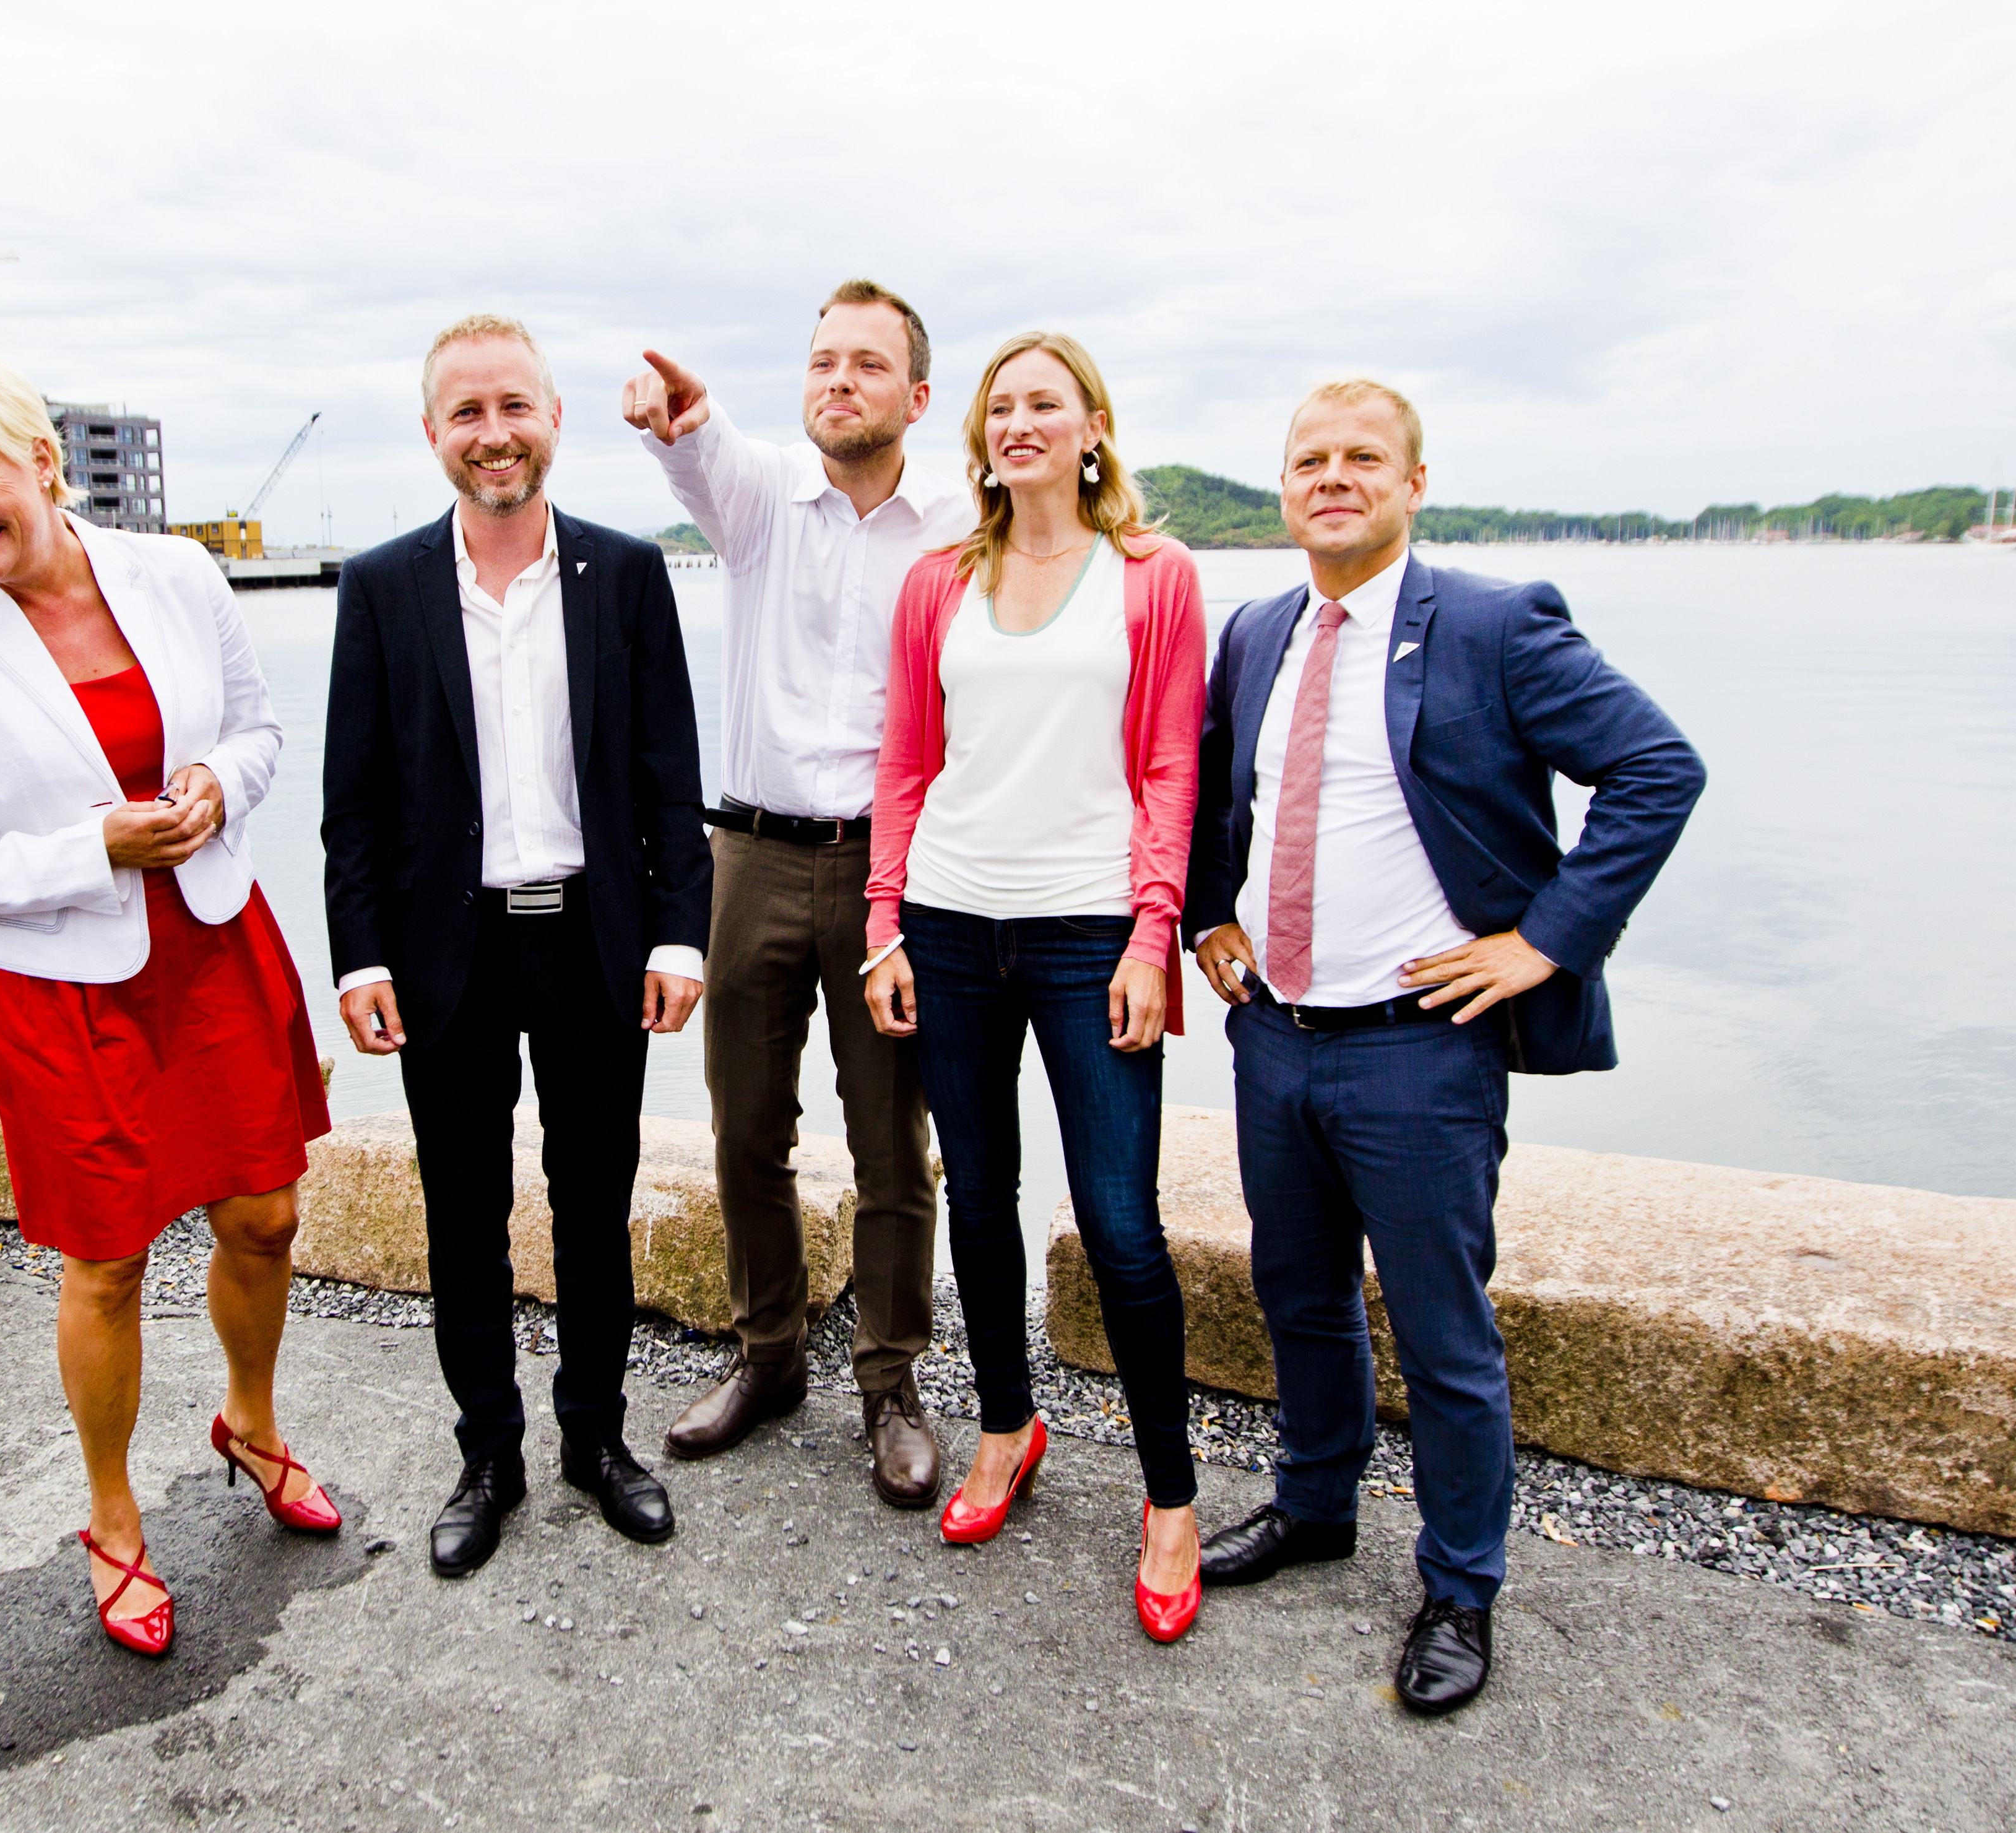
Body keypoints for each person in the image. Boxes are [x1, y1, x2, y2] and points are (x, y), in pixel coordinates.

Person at [1184, 379, 1705, 1712]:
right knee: (1297, 1294)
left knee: (1442, 1332)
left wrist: (1545, 940)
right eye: (1310, 458)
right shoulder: (1256, 632)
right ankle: (1315, 1505)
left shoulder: (1490, 623)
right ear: (1284, 485)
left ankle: (1462, 1585)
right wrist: (1206, 917)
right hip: (1278, 1037)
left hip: (1420, 1052)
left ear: (1416, 484)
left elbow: (1658, 769)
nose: (1334, 477)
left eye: (1365, 458)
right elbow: (1210, 794)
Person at [0, 356, 337, 1660]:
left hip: (215, 943)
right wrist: (96, 850)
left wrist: (209, 787)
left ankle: (251, 1422)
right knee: (110, 1256)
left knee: (267, 1210)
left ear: (43, 467)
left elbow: (255, 732)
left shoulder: (178, 573)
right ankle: (115, 1515)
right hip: (69, 986)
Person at [322, 314, 714, 1579]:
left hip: (594, 942)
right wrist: (360, 955)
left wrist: (679, 931)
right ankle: (487, 1451)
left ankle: (595, 1439)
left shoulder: (626, 573)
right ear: (434, 431)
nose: (494, 434)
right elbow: (357, 797)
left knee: (595, 1208)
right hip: (449, 954)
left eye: (514, 406)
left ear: (554, 416)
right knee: (463, 1216)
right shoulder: (382, 586)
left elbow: (668, 772)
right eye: (466, 412)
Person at [862, 332, 1209, 1644]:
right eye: (1001, 408)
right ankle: (1008, 1425)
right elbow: (905, 761)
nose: (1020, 425)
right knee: (983, 1198)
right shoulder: (939, 579)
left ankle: (1170, 1496)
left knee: (1122, 1222)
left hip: (1088, 934)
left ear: (1091, 429)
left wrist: (1149, 939)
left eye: (1043, 405)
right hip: (951, 923)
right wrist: (886, 923)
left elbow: (1170, 767)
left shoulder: (1153, 576)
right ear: (983, 436)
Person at [621, 280, 974, 1507]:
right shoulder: (765, 492)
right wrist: (678, 417)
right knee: (743, 1127)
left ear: (917, 396)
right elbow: (700, 448)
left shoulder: (958, 525)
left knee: (892, 1142)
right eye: (824, 360)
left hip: (895, 867)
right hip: (754, 855)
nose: (839, 382)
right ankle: (768, 1356)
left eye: (868, 365)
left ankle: (891, 1383)